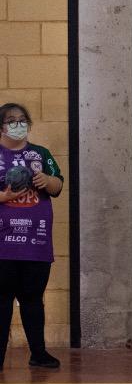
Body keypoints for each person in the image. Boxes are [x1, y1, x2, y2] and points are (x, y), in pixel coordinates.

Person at [0, 103, 63, 370]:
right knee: (2, 301)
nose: (18, 124)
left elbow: (58, 185)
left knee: (33, 298)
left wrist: (46, 180)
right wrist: (4, 196)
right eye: (11, 120)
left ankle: (38, 353)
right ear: (2, 126)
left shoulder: (41, 153)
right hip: (4, 243)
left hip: (36, 242)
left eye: (22, 119)